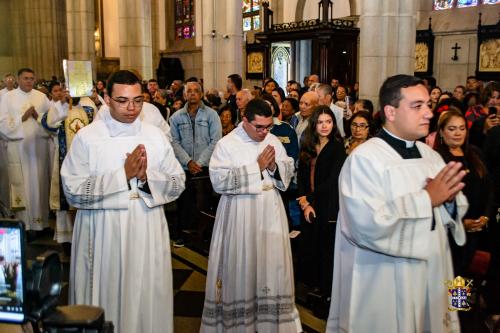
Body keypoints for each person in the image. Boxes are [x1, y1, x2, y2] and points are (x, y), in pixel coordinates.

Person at [327, 74, 468, 333]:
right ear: (390, 111)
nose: (428, 113)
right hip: (384, 280)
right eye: (418, 106)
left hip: (431, 274)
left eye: (428, 105)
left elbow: (452, 212)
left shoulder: (431, 156)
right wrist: (427, 199)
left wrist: (450, 204)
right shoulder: (365, 159)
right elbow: (365, 226)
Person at [60, 70, 185, 333]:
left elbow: (177, 182)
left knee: (145, 293)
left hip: (147, 227)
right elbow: (72, 190)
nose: (131, 108)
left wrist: (147, 179)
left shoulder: (155, 135)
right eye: (122, 100)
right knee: (108, 292)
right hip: (105, 231)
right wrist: (122, 176)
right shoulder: (88, 138)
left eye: (138, 101)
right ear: (106, 97)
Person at [201, 98, 301, 332]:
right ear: (245, 120)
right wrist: (255, 168)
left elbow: (288, 168)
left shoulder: (273, 140)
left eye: (268, 127)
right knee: (242, 264)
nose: (264, 132)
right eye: (259, 127)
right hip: (240, 214)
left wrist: (275, 167)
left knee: (271, 264)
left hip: (271, 210)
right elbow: (218, 181)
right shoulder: (227, 144)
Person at [297, 106, 346, 318]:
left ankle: (325, 295)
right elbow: (300, 176)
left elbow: (333, 180)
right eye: (321, 122)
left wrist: (311, 200)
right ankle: (311, 289)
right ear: (314, 124)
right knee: (310, 246)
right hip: (307, 204)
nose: (325, 126)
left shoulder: (337, 148)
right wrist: (303, 201)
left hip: (327, 206)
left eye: (329, 121)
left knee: (326, 249)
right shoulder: (307, 145)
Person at [433, 108, 491, 277]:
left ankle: (458, 303)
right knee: (449, 275)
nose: (458, 133)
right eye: (452, 129)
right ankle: (448, 304)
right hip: (449, 232)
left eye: (462, 128)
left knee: (464, 275)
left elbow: (488, 188)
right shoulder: (437, 158)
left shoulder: (475, 153)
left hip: (476, 229)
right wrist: (460, 222)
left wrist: (485, 217)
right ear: (442, 133)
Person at [169, 81, 222, 247]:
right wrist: (188, 161)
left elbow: (216, 141)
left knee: (204, 204)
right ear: (185, 95)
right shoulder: (176, 117)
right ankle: (183, 235)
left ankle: (205, 238)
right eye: (189, 91)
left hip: (204, 168)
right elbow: (174, 142)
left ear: (201, 94)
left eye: (196, 91)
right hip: (184, 168)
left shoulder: (211, 115)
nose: (192, 94)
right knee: (184, 202)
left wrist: (199, 162)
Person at [0, 68, 52, 231]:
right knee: (22, 185)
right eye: (25, 78)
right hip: (19, 148)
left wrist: (37, 116)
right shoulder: (7, 97)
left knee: (40, 183)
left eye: (31, 78)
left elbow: (51, 120)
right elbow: (2, 123)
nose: (29, 81)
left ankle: (41, 222)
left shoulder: (41, 97)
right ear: (18, 79)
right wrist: (21, 118)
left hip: (38, 148)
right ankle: (25, 225)